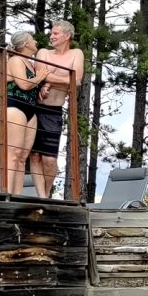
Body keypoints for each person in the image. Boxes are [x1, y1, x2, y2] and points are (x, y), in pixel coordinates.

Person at [31, 19, 85, 198]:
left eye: (55, 33)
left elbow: (77, 80)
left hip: (54, 111)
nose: (51, 36)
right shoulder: (43, 52)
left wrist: (49, 79)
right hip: (34, 107)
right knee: (35, 155)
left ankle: (46, 192)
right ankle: (42, 196)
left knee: (49, 159)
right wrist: (62, 79)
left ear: (67, 36)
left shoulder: (76, 53)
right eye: (51, 33)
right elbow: (40, 75)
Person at [4, 31, 52, 195]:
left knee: (22, 157)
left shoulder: (30, 63)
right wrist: (40, 77)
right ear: (25, 44)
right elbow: (24, 84)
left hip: (31, 109)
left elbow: (32, 87)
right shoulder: (15, 60)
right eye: (33, 39)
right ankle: (7, 195)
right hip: (15, 107)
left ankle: (17, 196)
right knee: (13, 154)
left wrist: (43, 88)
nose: (36, 41)